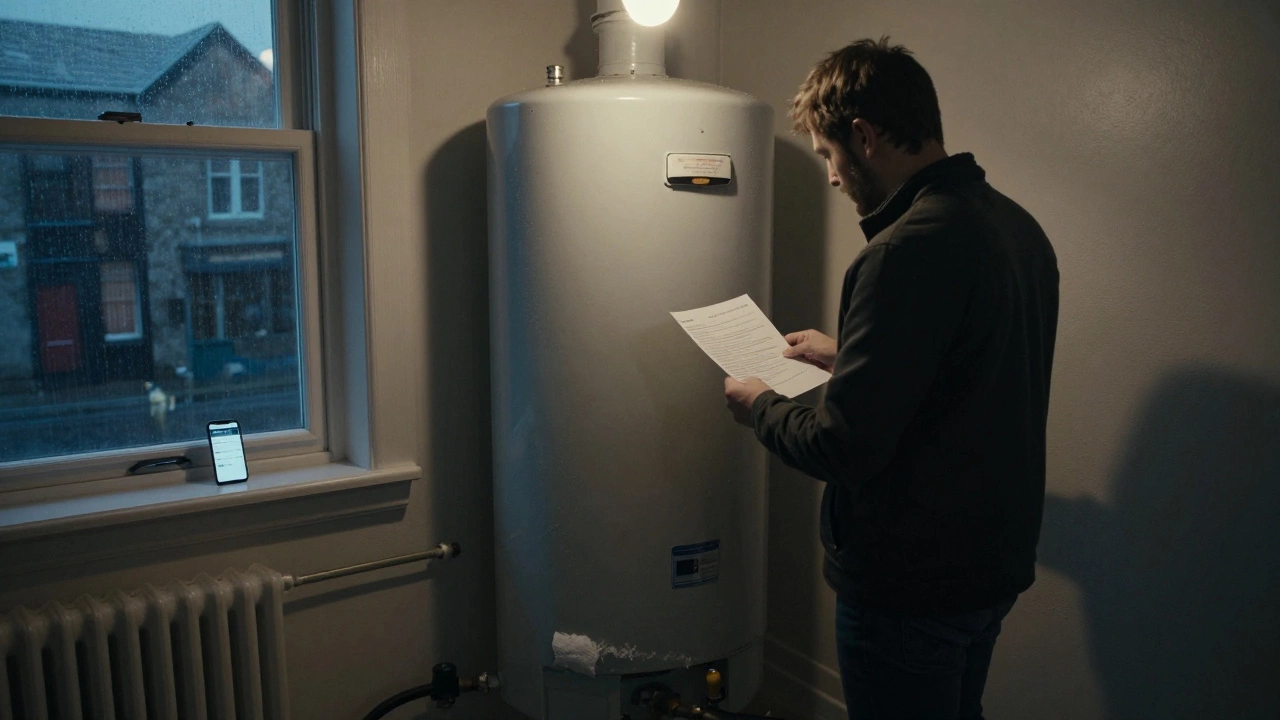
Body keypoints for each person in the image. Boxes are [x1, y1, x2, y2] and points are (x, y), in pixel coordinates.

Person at [723, 38, 1060, 720]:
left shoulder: (903, 251)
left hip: (911, 585)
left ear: (864, 136)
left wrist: (758, 404)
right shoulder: (1014, 228)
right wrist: (849, 354)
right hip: (988, 565)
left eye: (826, 154)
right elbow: (970, 373)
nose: (830, 176)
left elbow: (843, 448)